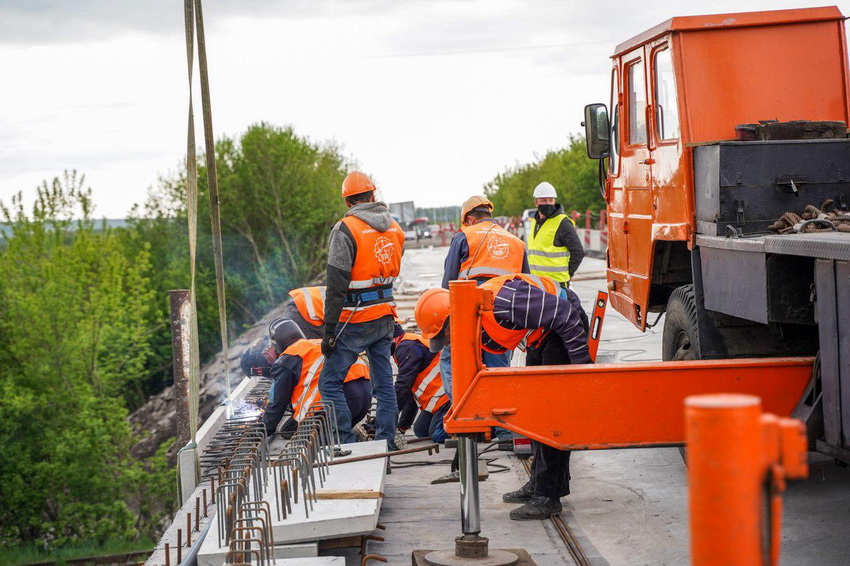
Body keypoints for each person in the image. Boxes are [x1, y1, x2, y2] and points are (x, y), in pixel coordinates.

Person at [414, 273, 592, 521]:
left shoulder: (504, 302)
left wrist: (582, 369)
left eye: (443, 337)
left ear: (450, 320)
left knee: (552, 416)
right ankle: (541, 483)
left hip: (562, 330)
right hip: (541, 336)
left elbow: (565, 315)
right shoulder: (473, 314)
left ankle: (548, 496)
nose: (447, 343)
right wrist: (468, 427)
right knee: (537, 415)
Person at [319, 171, 405, 446]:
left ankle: (348, 444)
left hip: (355, 318)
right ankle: (386, 441)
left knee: (329, 382)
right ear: (373, 195)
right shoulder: (394, 227)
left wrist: (329, 331)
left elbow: (336, 285)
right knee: (384, 384)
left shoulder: (345, 229)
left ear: (348, 202)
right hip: (384, 315)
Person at [439, 195, 528, 400]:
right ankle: (502, 426)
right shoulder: (516, 242)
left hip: (469, 309)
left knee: (452, 359)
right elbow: (526, 283)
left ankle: (465, 411)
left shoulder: (464, 236)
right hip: (506, 310)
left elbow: (448, 284)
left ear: (469, 219)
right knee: (498, 365)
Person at [262, 319, 372, 437]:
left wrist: (264, 430)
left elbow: (277, 403)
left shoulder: (286, 359)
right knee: (292, 426)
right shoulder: (317, 343)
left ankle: (345, 440)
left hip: (340, 402)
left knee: (289, 432)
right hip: (365, 398)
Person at [392, 324, 450, 444]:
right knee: (420, 430)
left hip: (446, 397)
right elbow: (409, 393)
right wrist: (402, 426)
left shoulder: (407, 346)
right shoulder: (405, 344)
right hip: (436, 400)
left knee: (437, 434)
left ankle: (476, 430)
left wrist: (386, 418)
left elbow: (403, 386)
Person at [526, 182, 584, 287]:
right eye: (544, 200)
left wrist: (569, 274)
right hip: (536, 282)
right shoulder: (534, 222)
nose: (547, 203)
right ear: (536, 203)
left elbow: (578, 251)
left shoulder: (563, 222)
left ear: (554, 201)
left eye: (550, 200)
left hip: (557, 283)